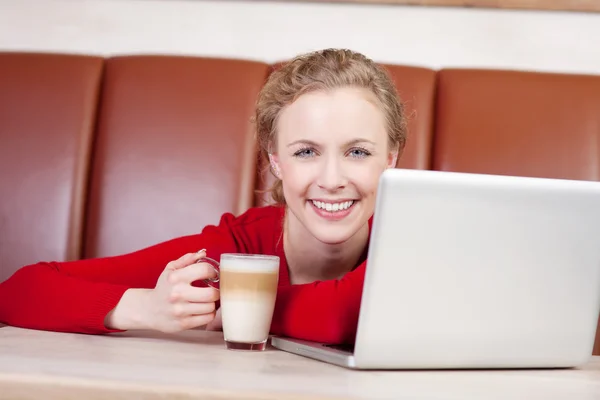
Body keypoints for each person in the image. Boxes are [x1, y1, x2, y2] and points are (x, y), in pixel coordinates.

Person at [0, 48, 407, 345]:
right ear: (277, 162)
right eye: (306, 152)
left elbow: (342, 315)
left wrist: (242, 308)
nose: (332, 179)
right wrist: (145, 307)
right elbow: (19, 289)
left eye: (357, 152)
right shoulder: (233, 250)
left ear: (390, 160)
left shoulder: (413, 241)